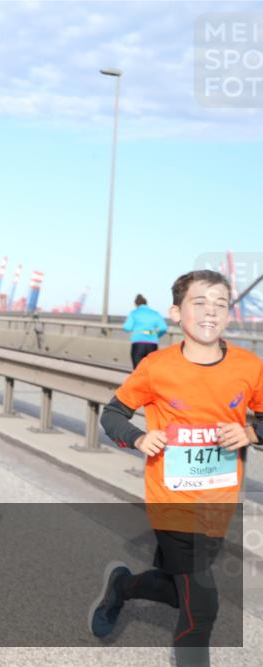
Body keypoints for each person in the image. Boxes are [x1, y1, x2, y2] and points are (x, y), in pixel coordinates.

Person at [94, 270, 263, 667]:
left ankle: (122, 586)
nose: (211, 312)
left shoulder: (250, 367)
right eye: (199, 302)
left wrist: (250, 433)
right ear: (175, 312)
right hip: (171, 500)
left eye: (221, 304)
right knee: (202, 608)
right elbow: (112, 414)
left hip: (219, 502)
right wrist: (137, 438)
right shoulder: (156, 367)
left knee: (178, 588)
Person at [123, 293, 169, 369]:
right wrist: (157, 335)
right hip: (152, 344)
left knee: (138, 370)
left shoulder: (134, 313)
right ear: (146, 303)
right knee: (150, 369)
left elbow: (127, 327)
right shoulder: (155, 313)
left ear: (136, 304)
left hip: (138, 343)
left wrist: (135, 329)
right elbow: (163, 328)